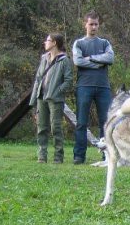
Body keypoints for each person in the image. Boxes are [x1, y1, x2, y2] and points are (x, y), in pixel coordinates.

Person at [72, 10, 114, 164]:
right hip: (84, 86)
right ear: (85, 25)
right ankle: (79, 156)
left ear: (99, 25)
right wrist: (99, 63)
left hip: (103, 87)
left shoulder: (105, 43)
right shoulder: (79, 43)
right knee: (81, 122)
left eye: (96, 24)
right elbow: (78, 62)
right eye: (91, 24)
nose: (94, 27)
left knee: (106, 122)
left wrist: (90, 58)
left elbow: (110, 58)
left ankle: (107, 156)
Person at [30, 33, 73, 163]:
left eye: (47, 40)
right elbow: (38, 78)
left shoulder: (64, 60)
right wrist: (33, 99)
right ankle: (42, 156)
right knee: (41, 127)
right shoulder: (44, 58)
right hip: (41, 97)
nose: (45, 42)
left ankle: (58, 157)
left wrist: (57, 91)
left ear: (54, 43)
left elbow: (68, 80)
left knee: (56, 128)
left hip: (55, 100)